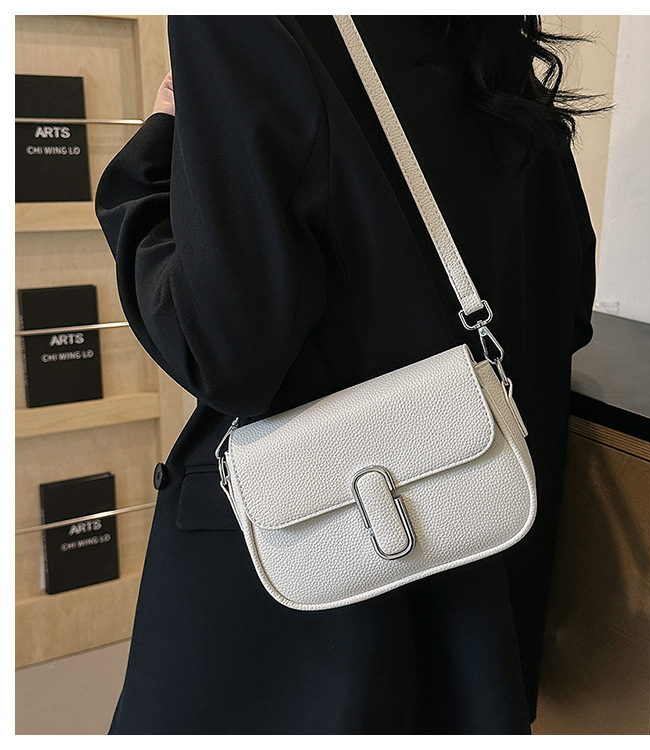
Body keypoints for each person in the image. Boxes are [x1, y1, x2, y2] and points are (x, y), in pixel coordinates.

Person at [95, 15, 597, 734]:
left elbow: (223, 352)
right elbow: (565, 308)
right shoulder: (486, 36)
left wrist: (147, 167)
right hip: (482, 585)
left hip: (306, 609)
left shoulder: (241, 21)